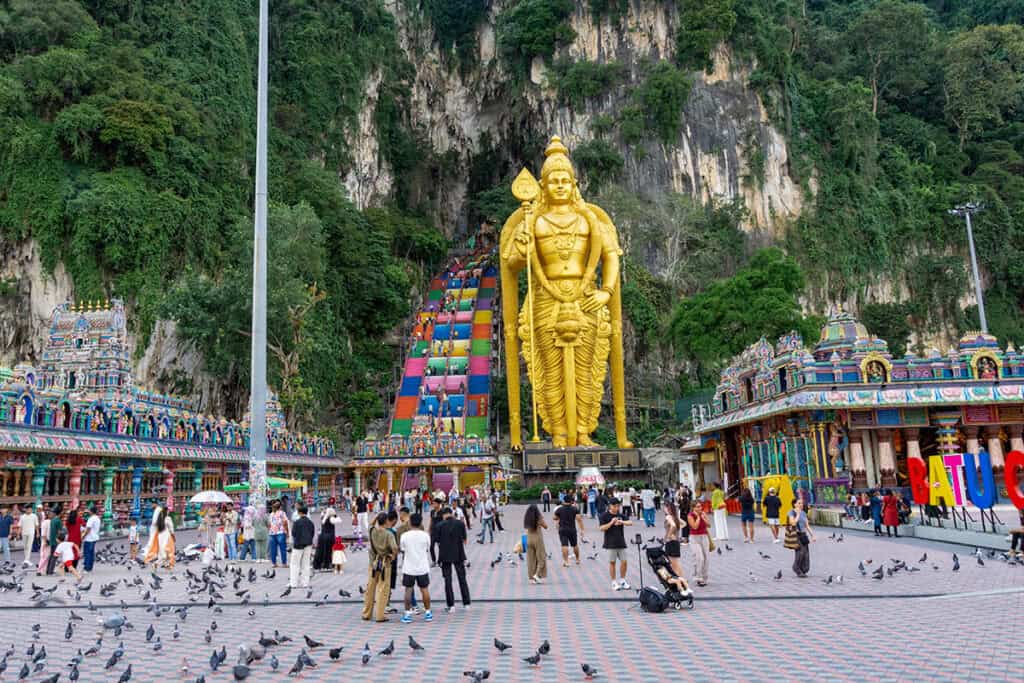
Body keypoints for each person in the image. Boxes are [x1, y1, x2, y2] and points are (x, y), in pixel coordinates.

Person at [362, 513, 398, 622]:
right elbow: (395, 548)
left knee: (370, 588)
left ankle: (366, 614)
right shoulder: (388, 534)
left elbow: (370, 524)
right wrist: (392, 556)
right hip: (384, 563)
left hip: (373, 563)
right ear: (387, 521)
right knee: (382, 589)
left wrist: (377, 517)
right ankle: (379, 615)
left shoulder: (372, 530)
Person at [399, 513, 433, 623]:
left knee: (408, 590)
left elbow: (402, 549)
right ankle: (428, 613)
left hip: (409, 567)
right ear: (421, 522)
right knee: (424, 589)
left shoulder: (404, 536)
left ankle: (408, 614)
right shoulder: (426, 535)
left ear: (410, 522)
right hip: (422, 566)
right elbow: (428, 548)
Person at [435, 507, 471, 611]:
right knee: (462, 578)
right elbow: (464, 539)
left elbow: (437, 541)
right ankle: (466, 603)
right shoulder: (460, 524)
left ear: (443, 515)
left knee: (448, 580)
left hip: (445, 555)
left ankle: (451, 605)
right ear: (451, 513)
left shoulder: (439, 525)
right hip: (459, 554)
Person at [599, 498, 632, 591]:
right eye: (614, 506)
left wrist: (622, 522)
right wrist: (611, 522)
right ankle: (614, 582)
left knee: (624, 561)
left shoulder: (620, 515)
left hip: (621, 541)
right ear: (610, 506)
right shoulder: (604, 516)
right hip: (610, 543)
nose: (616, 508)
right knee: (612, 562)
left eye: (618, 506)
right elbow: (601, 528)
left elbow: (630, 522)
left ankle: (622, 580)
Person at [786, 498, 815, 577]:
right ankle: (796, 568)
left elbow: (807, 525)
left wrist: (812, 535)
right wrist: (798, 514)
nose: (801, 505)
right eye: (799, 503)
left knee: (806, 553)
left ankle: (804, 569)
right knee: (800, 552)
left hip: (803, 535)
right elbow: (793, 523)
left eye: (802, 503)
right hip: (796, 535)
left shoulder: (804, 513)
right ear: (794, 504)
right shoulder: (791, 512)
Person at [553, 494, 585, 567]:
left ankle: (566, 561)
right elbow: (579, 519)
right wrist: (582, 530)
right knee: (575, 545)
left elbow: (554, 517)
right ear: (571, 501)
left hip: (562, 529)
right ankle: (577, 559)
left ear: (563, 501)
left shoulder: (560, 509)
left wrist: (560, 517)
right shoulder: (574, 508)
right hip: (572, 529)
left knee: (564, 545)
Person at [289, 503, 315, 589]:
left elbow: (293, 533)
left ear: (299, 513)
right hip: (308, 544)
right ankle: (305, 583)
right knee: (306, 564)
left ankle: (293, 583)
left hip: (298, 545)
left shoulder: (297, 522)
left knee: (295, 564)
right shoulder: (310, 522)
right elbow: (312, 533)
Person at [523, 504, 548, 584]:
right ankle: (537, 575)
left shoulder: (527, 518)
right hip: (537, 539)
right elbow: (546, 526)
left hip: (529, 539)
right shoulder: (538, 517)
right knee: (542, 557)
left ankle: (532, 576)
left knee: (531, 559)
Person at [687, 503, 711, 587]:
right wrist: (698, 517)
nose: (700, 508)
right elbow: (695, 527)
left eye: (700, 506)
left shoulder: (703, 514)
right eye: (697, 507)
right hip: (694, 538)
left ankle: (704, 578)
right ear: (693, 508)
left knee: (706, 558)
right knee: (699, 558)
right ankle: (698, 577)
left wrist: (704, 518)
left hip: (704, 537)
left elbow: (709, 525)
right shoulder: (690, 515)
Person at [313, 500, 338, 571]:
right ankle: (328, 564)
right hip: (330, 536)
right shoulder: (332, 518)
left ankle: (319, 564)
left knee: (321, 551)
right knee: (328, 551)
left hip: (323, 536)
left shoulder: (323, 517)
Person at [663, 501, 685, 579]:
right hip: (676, 542)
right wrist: (676, 531)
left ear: (667, 508)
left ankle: (680, 580)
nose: (663, 509)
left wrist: (669, 535)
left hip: (671, 542)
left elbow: (673, 525)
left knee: (673, 564)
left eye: (665, 507)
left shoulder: (668, 517)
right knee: (676, 563)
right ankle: (682, 579)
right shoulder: (675, 516)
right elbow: (684, 523)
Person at [268, 500, 289, 568]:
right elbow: (285, 523)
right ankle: (284, 563)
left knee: (273, 549)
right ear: (280, 507)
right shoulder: (282, 513)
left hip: (272, 533)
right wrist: (287, 532)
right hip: (280, 532)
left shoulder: (271, 514)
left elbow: (269, 524)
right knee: (283, 548)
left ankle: (274, 563)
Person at [82, 506, 101, 572]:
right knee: (91, 553)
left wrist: (83, 536)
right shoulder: (97, 518)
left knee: (87, 553)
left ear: (91, 511)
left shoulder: (91, 519)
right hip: (95, 537)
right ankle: (90, 566)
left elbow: (88, 529)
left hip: (89, 538)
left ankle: (86, 567)